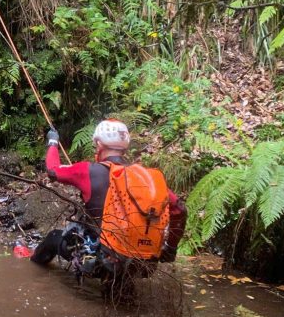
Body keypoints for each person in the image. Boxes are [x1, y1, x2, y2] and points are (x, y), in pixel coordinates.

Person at [31, 119, 187, 298]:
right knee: (121, 291)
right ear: (125, 146)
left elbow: (53, 169)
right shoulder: (145, 179)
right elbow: (180, 209)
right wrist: (170, 249)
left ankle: (31, 268)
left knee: (54, 238)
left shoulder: (88, 171)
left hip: (104, 259)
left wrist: (52, 142)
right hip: (143, 261)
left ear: (98, 144)